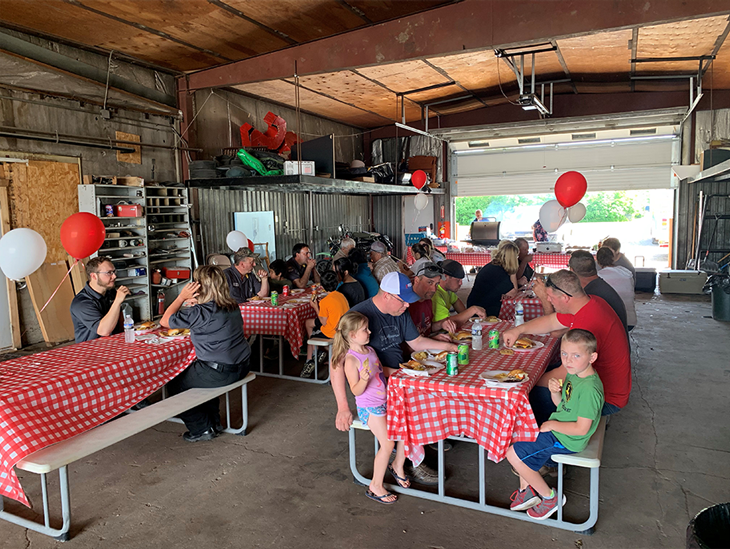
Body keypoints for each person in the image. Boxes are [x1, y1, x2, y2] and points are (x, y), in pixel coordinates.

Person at [330, 272, 458, 485]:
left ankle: (425, 441)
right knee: (418, 405)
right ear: (387, 295)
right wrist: (343, 406)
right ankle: (410, 461)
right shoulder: (358, 316)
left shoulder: (399, 311)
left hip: (398, 374)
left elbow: (416, 342)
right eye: (403, 300)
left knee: (436, 389)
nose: (407, 306)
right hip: (376, 385)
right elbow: (337, 364)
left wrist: (449, 347)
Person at [502, 270, 631, 425]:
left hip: (605, 398)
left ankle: (533, 440)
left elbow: (563, 376)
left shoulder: (588, 324)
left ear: (565, 298)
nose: (548, 300)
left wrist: (525, 383)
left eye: (550, 297)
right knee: (541, 370)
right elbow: (551, 321)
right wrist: (518, 330)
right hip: (596, 381)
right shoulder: (589, 303)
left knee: (525, 396)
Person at [506, 329, 604, 520]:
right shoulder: (575, 374)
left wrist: (552, 425)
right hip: (560, 430)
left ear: (592, 357)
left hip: (568, 439)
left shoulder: (590, 390)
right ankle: (527, 491)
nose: (568, 360)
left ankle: (550, 497)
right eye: (564, 354)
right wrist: (554, 393)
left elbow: (581, 428)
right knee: (520, 437)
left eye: (576, 355)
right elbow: (563, 406)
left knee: (513, 454)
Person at [161, 266, 251, 442]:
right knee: (200, 376)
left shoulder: (201, 312)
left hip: (220, 372)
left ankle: (201, 428)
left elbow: (165, 320)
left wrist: (181, 297)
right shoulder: (232, 305)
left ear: (199, 286)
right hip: (242, 364)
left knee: (175, 384)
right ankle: (213, 423)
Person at [334, 311, 409, 504]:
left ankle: (396, 465)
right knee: (388, 443)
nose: (369, 332)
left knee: (405, 428)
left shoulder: (370, 351)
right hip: (370, 407)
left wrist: (404, 372)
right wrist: (364, 379)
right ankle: (375, 485)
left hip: (383, 402)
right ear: (352, 335)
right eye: (364, 329)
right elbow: (356, 390)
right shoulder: (351, 360)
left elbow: (380, 372)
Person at [535, 250, 629, 335]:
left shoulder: (589, 295)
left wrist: (544, 298)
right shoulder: (599, 286)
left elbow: (555, 333)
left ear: (572, 272)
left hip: (603, 352)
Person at [70, 256, 130, 343]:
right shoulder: (81, 303)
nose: (114, 276)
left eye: (114, 271)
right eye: (108, 273)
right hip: (91, 350)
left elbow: (120, 320)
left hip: (113, 344)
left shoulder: (110, 292)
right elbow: (104, 331)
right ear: (94, 276)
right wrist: (117, 301)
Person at [301, 271, 349, 378]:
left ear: (321, 287)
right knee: (309, 323)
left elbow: (323, 322)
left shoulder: (325, 301)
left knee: (311, 337)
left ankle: (310, 360)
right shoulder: (341, 296)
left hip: (331, 332)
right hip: (342, 328)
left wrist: (315, 307)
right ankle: (317, 351)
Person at [466, 240, 520, 317]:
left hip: (478, 305)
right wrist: (513, 271)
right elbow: (513, 291)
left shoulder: (494, 266)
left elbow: (507, 292)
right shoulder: (499, 271)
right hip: (480, 310)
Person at [408, 262, 458, 337]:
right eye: (429, 282)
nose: (434, 289)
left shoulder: (428, 300)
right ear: (417, 280)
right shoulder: (406, 304)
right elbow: (408, 345)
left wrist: (441, 324)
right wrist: (434, 341)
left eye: (437, 284)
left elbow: (427, 328)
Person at [432, 259, 486, 327]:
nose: (461, 283)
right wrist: (473, 309)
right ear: (445, 277)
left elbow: (463, 313)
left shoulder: (448, 291)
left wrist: (470, 312)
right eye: (458, 280)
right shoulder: (436, 295)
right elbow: (447, 323)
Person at [596, 247, 637, 330]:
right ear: (613, 259)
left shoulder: (598, 277)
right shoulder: (626, 272)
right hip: (629, 320)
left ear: (597, 261)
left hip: (610, 321)